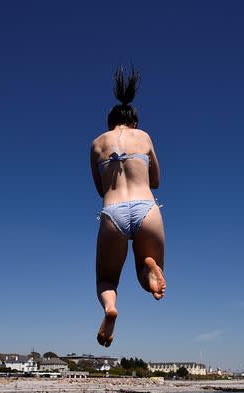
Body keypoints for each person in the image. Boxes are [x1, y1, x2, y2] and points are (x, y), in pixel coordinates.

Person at [91, 66, 166, 347]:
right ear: (134, 122)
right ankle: (149, 269)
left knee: (107, 279)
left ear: (110, 122)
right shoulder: (144, 137)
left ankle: (110, 309)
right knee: (143, 270)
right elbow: (156, 180)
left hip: (113, 213)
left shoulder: (97, 143)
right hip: (147, 208)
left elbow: (100, 188)